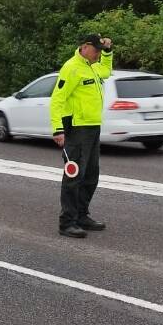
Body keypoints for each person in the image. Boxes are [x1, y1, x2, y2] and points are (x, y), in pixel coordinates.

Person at [50, 33, 113, 238]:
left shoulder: (92, 65)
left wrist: (108, 52)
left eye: (99, 51)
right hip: (77, 129)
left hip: (93, 128)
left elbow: (106, 71)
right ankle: (67, 222)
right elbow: (57, 100)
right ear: (85, 47)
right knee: (74, 175)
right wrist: (58, 129)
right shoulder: (71, 68)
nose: (97, 55)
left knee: (91, 175)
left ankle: (81, 215)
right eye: (96, 50)